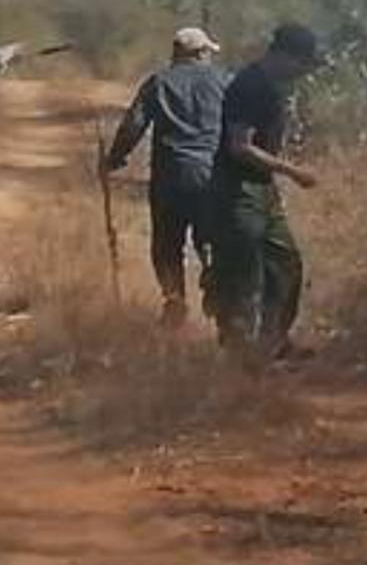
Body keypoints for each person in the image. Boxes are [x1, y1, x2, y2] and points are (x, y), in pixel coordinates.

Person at [210, 23, 323, 362]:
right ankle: (240, 356)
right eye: (303, 64)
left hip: (262, 189)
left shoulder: (275, 86)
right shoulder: (250, 86)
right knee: (242, 274)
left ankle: (273, 341)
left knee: (287, 264)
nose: (305, 72)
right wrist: (292, 172)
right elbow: (240, 147)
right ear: (285, 56)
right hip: (237, 191)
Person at [102, 27, 229, 327]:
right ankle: (216, 286)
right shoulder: (224, 81)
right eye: (208, 52)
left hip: (170, 176)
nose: (210, 57)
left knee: (167, 242)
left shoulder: (158, 82)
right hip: (212, 174)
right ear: (199, 53)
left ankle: (174, 299)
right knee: (210, 238)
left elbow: (134, 124)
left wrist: (115, 158)